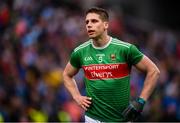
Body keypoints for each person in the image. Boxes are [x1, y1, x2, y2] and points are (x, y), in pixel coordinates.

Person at [63, 7, 160, 122]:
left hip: (121, 119)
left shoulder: (125, 49)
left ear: (106, 25)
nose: (89, 25)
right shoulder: (80, 52)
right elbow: (66, 74)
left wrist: (141, 101)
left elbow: (154, 71)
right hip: (92, 118)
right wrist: (77, 96)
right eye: (87, 22)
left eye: (94, 21)